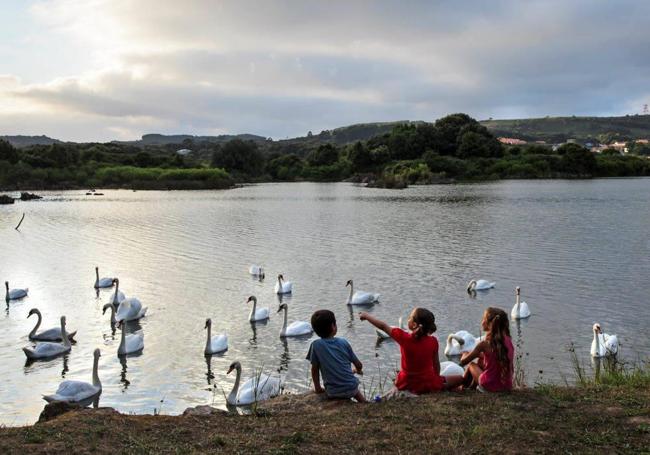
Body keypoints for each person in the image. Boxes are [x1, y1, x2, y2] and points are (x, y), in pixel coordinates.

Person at [359, 308, 444, 396]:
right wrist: (436, 380)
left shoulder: (403, 337)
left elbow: (383, 326)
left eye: (410, 317)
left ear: (414, 325)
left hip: (406, 382)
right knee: (458, 379)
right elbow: (436, 364)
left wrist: (366, 316)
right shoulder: (433, 341)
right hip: (427, 382)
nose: (408, 319)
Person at [306, 309, 366, 402]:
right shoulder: (344, 342)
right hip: (351, 388)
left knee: (314, 386)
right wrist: (358, 370)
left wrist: (318, 388)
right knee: (356, 392)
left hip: (332, 392)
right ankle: (365, 403)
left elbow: (314, 370)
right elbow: (359, 365)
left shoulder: (315, 345)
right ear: (333, 326)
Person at [459, 307, 514, 392]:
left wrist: (464, 354)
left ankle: (462, 388)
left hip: (489, 387)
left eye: (483, 319)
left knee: (471, 365)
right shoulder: (508, 340)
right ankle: (471, 388)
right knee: (481, 361)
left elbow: (463, 362)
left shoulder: (484, 344)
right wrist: (480, 355)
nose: (481, 322)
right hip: (507, 387)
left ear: (489, 323)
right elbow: (496, 357)